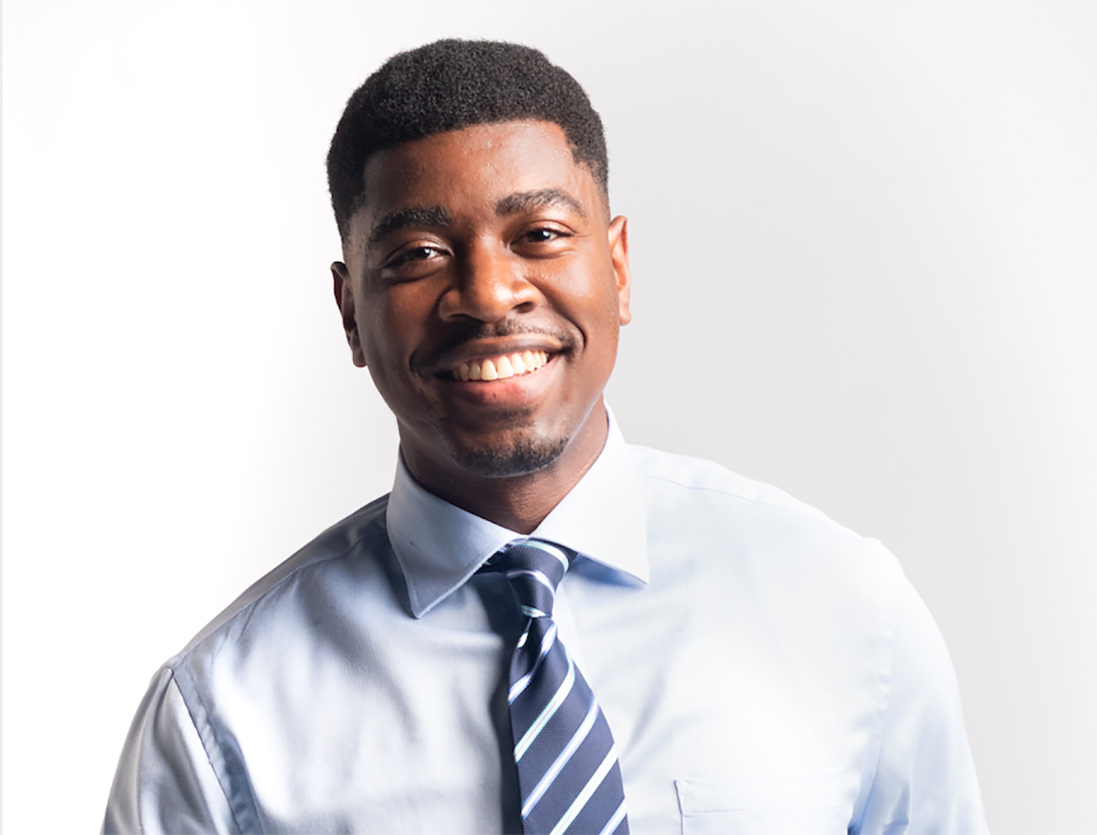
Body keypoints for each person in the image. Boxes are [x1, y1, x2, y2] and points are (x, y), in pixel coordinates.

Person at [103, 39, 987, 834]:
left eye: (541, 235)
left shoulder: (846, 611)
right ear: (348, 312)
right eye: (417, 253)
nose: (489, 294)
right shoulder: (222, 717)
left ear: (618, 267)